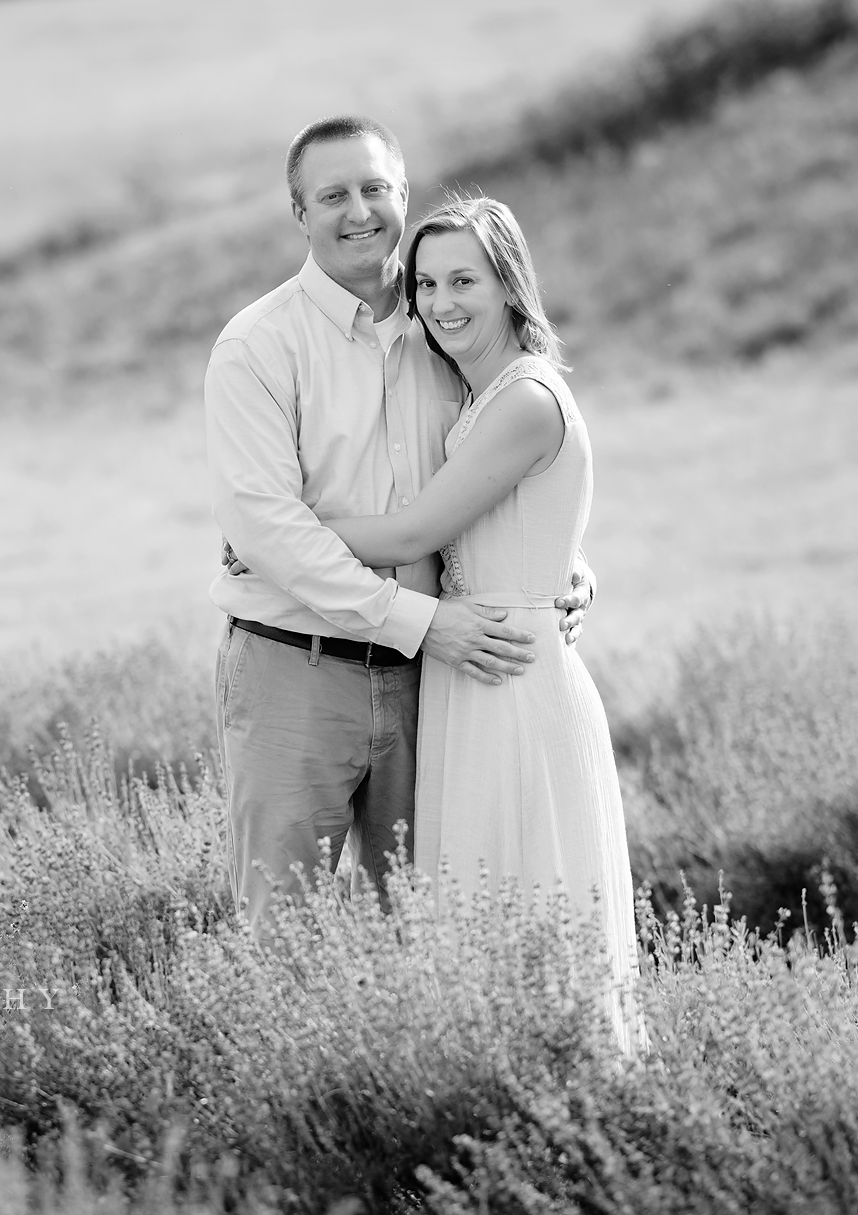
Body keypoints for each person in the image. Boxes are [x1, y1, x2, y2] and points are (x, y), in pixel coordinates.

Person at [204, 116, 593, 937]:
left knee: (424, 938)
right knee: (283, 937)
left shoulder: (448, 334)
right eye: (332, 194)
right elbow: (269, 529)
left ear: (403, 195)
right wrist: (423, 622)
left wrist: (563, 564)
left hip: (436, 691)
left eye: (375, 189)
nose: (358, 211)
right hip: (295, 675)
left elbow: (497, 477)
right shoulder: (258, 346)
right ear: (299, 213)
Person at [316, 196, 637, 1051]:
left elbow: (418, 531)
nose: (442, 301)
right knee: (481, 915)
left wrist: (280, 532)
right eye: (425, 283)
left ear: (509, 286)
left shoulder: (526, 400)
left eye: (465, 279)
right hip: (470, 672)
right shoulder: (482, 393)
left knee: (531, 904)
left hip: (512, 680)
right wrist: (570, 567)